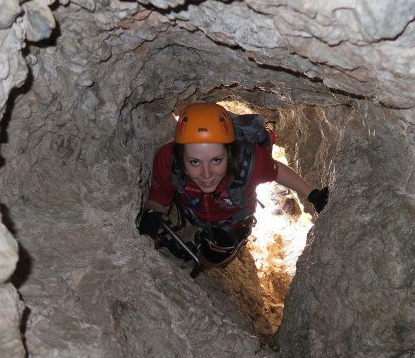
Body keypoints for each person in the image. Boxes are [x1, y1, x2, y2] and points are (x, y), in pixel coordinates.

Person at [138, 102, 329, 270]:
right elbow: (158, 200)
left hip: (230, 221)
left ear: (231, 153)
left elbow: (276, 170)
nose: (206, 174)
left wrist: (312, 195)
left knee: (217, 251)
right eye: (194, 162)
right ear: (180, 156)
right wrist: (151, 214)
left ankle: (208, 264)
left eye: (216, 160)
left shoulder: (249, 163)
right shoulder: (168, 160)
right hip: (191, 208)